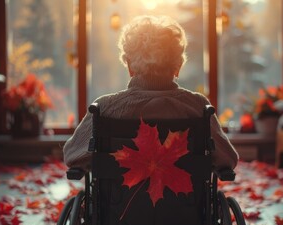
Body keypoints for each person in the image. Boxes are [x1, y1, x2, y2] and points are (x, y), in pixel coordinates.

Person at [63, 15, 238, 173]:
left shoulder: (104, 108)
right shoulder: (198, 107)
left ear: (130, 67)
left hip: (120, 206)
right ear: (178, 67)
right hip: (184, 206)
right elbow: (228, 159)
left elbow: (73, 156)